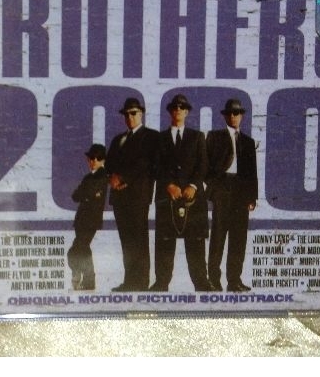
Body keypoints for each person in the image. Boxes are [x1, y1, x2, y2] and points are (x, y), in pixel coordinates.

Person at [151, 94, 211, 292]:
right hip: (166, 197)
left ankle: (201, 282)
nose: (178, 110)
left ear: (186, 112)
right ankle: (161, 283)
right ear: (170, 111)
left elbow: (203, 165)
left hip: (192, 198)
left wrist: (193, 185)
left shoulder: (197, 136)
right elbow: (155, 166)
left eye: (182, 108)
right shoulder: (159, 138)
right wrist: (168, 185)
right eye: (174, 108)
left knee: (195, 241)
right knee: (164, 242)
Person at [105, 97, 159, 292]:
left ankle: (141, 282)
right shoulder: (118, 139)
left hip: (138, 196)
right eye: (126, 114)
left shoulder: (151, 136)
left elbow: (146, 164)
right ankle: (129, 281)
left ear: (141, 113)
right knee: (126, 241)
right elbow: (108, 164)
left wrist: (123, 178)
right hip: (119, 197)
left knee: (138, 239)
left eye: (133, 113)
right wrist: (111, 177)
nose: (130, 117)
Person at [205, 98, 258, 292]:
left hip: (241, 192)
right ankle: (213, 280)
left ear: (241, 115)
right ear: (225, 116)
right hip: (222, 188)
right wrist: (215, 188)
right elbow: (205, 165)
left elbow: (252, 173)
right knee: (218, 236)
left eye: (236, 113)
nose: (233, 116)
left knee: (238, 238)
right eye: (230, 113)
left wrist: (252, 198)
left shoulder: (248, 142)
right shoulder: (214, 137)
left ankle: (234, 280)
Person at [66, 144, 108, 291]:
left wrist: (86, 194)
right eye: (91, 158)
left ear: (103, 160)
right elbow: (75, 196)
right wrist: (88, 195)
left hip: (91, 220)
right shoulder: (88, 177)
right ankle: (87, 279)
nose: (93, 161)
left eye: (98, 158)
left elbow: (85, 194)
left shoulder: (103, 175)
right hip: (81, 219)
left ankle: (83, 276)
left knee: (78, 249)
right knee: (81, 249)